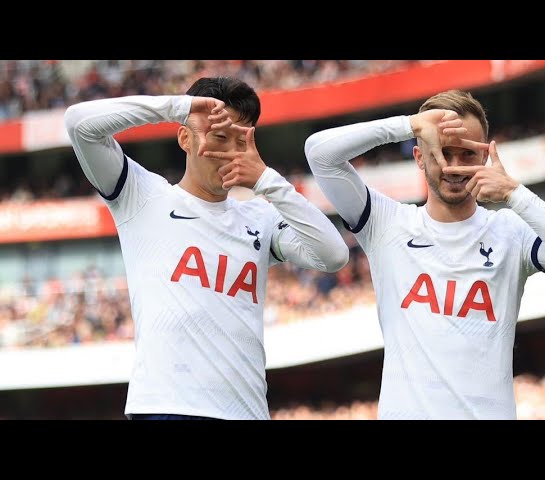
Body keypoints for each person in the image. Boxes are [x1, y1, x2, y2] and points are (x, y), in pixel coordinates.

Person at [304, 89, 545, 420]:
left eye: (468, 154)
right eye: (444, 152)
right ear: (420, 156)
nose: (455, 167)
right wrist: (409, 125)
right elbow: (319, 154)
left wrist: (515, 193)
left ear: (485, 157)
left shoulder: (510, 232)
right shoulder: (386, 223)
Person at [64, 76, 349, 420]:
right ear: (185, 137)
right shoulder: (142, 196)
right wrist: (179, 107)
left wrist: (268, 181)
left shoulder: (260, 216)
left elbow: (333, 254)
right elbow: (79, 124)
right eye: (219, 137)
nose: (229, 152)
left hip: (247, 413)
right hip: (167, 408)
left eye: (240, 140)